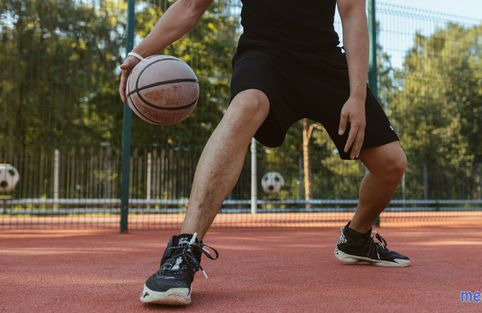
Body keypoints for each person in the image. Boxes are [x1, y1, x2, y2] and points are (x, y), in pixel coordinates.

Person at [119, 0, 410, 306]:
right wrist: (139, 53)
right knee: (246, 106)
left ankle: (357, 238)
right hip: (264, 54)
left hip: (323, 60)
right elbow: (191, 5)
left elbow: (352, 13)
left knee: (391, 164)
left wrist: (356, 96)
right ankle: (182, 251)